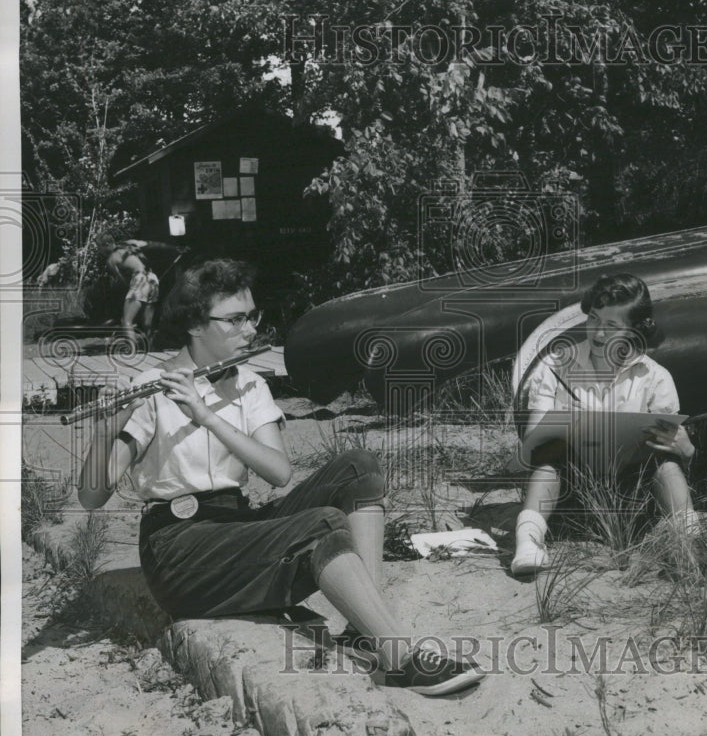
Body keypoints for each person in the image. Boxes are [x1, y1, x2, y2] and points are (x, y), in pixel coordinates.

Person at [77, 258, 484, 696]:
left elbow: (278, 471)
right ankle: (399, 658)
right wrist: (104, 432)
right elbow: (91, 497)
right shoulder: (156, 387)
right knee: (322, 525)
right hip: (179, 548)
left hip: (235, 525)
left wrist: (207, 416)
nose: (250, 330)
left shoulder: (251, 385)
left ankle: (366, 627)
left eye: (252, 316)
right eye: (235, 320)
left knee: (359, 468)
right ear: (196, 325)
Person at [511, 273, 697, 576]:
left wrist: (686, 450)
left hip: (632, 497)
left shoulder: (654, 376)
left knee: (666, 462)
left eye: (611, 326)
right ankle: (529, 541)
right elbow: (533, 438)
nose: (598, 333)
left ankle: (688, 541)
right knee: (549, 455)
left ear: (635, 331)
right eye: (594, 319)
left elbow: (674, 449)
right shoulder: (556, 365)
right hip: (570, 493)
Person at [96, 233, 160, 342]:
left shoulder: (111, 260)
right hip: (153, 278)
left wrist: (131, 290)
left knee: (126, 321)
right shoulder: (130, 243)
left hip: (139, 280)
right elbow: (153, 244)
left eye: (99, 247)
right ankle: (151, 348)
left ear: (106, 244)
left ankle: (132, 350)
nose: (99, 251)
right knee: (147, 323)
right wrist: (175, 248)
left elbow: (123, 282)